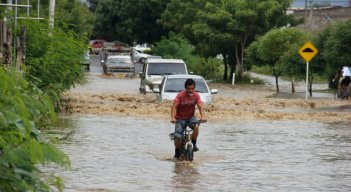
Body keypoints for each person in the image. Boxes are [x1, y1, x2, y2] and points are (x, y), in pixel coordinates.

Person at [171, 78, 206, 160]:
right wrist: (173, 118)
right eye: (189, 88)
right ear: (185, 88)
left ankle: (194, 144)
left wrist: (203, 116)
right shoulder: (180, 96)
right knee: (177, 137)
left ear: (194, 88)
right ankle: (177, 153)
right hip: (180, 118)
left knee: (196, 127)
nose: (191, 90)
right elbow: (174, 107)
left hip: (190, 117)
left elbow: (200, 106)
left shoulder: (196, 95)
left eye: (192, 88)